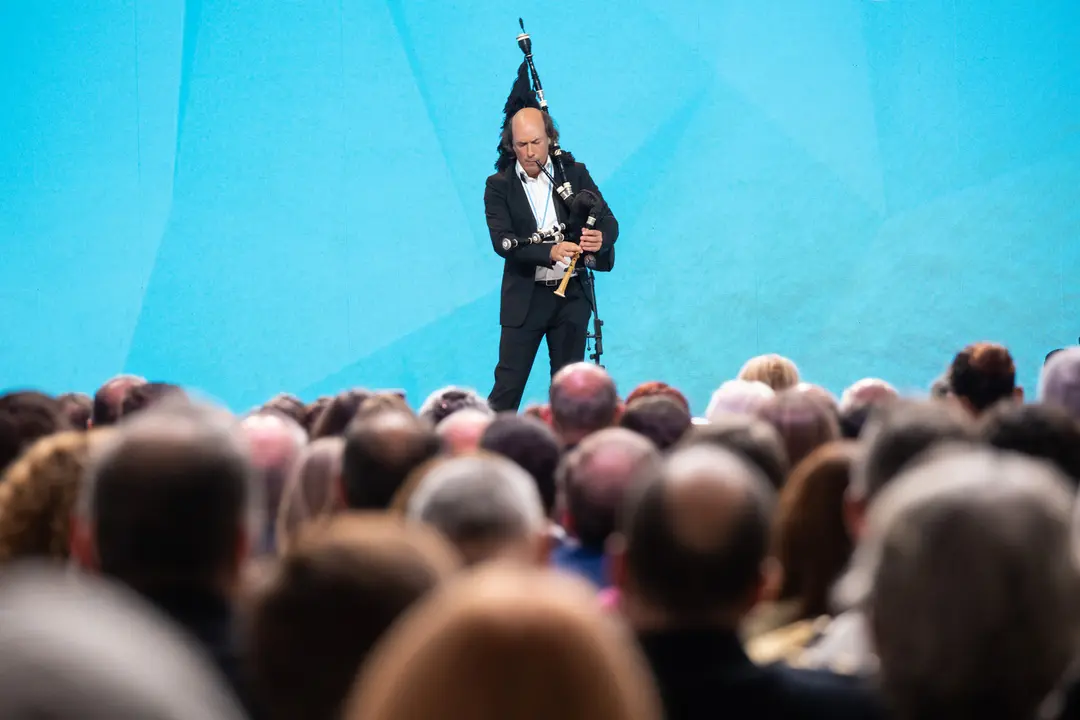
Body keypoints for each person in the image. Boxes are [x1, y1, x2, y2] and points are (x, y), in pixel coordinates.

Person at [485, 62, 619, 412]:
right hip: (526, 301)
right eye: (521, 145)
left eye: (536, 142)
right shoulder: (498, 186)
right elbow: (503, 243)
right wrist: (550, 250)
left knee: (570, 394)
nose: (529, 152)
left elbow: (608, 220)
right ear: (510, 145)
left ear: (551, 139)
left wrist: (599, 239)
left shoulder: (573, 173)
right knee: (507, 390)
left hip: (571, 298)